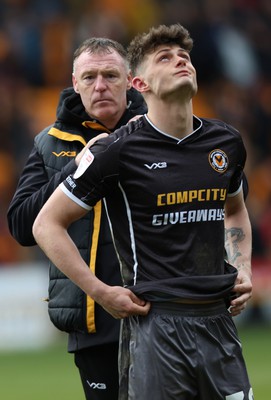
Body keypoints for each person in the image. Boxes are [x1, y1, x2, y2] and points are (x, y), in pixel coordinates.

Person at [32, 23, 253, 399]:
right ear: (140, 84)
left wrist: (243, 265)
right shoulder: (117, 150)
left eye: (184, 57)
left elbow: (234, 209)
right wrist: (101, 292)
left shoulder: (225, 142)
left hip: (219, 322)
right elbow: (46, 224)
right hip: (157, 326)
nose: (180, 61)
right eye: (164, 58)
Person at [7, 37, 147, 400]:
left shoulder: (158, 132)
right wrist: (78, 166)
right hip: (95, 319)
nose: (99, 86)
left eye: (110, 75)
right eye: (89, 78)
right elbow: (22, 225)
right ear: (74, 83)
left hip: (158, 312)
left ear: (131, 80)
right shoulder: (50, 143)